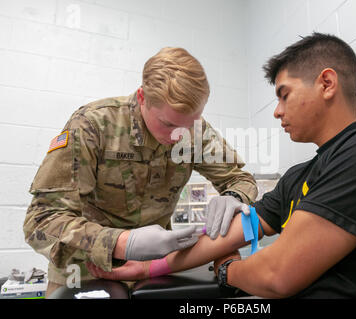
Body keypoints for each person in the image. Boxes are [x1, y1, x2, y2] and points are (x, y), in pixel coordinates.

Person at [89, 33, 356, 298]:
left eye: (283, 94)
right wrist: (150, 266)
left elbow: (276, 275)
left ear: (326, 83)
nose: (276, 110)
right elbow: (236, 232)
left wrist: (228, 269)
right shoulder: (299, 177)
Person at [23, 47, 257, 297]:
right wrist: (122, 243)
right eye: (167, 124)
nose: (178, 135)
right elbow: (42, 220)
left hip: (153, 270)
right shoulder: (93, 125)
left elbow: (240, 178)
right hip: (84, 270)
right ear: (142, 97)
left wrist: (234, 197)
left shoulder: (195, 132)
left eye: (188, 125)